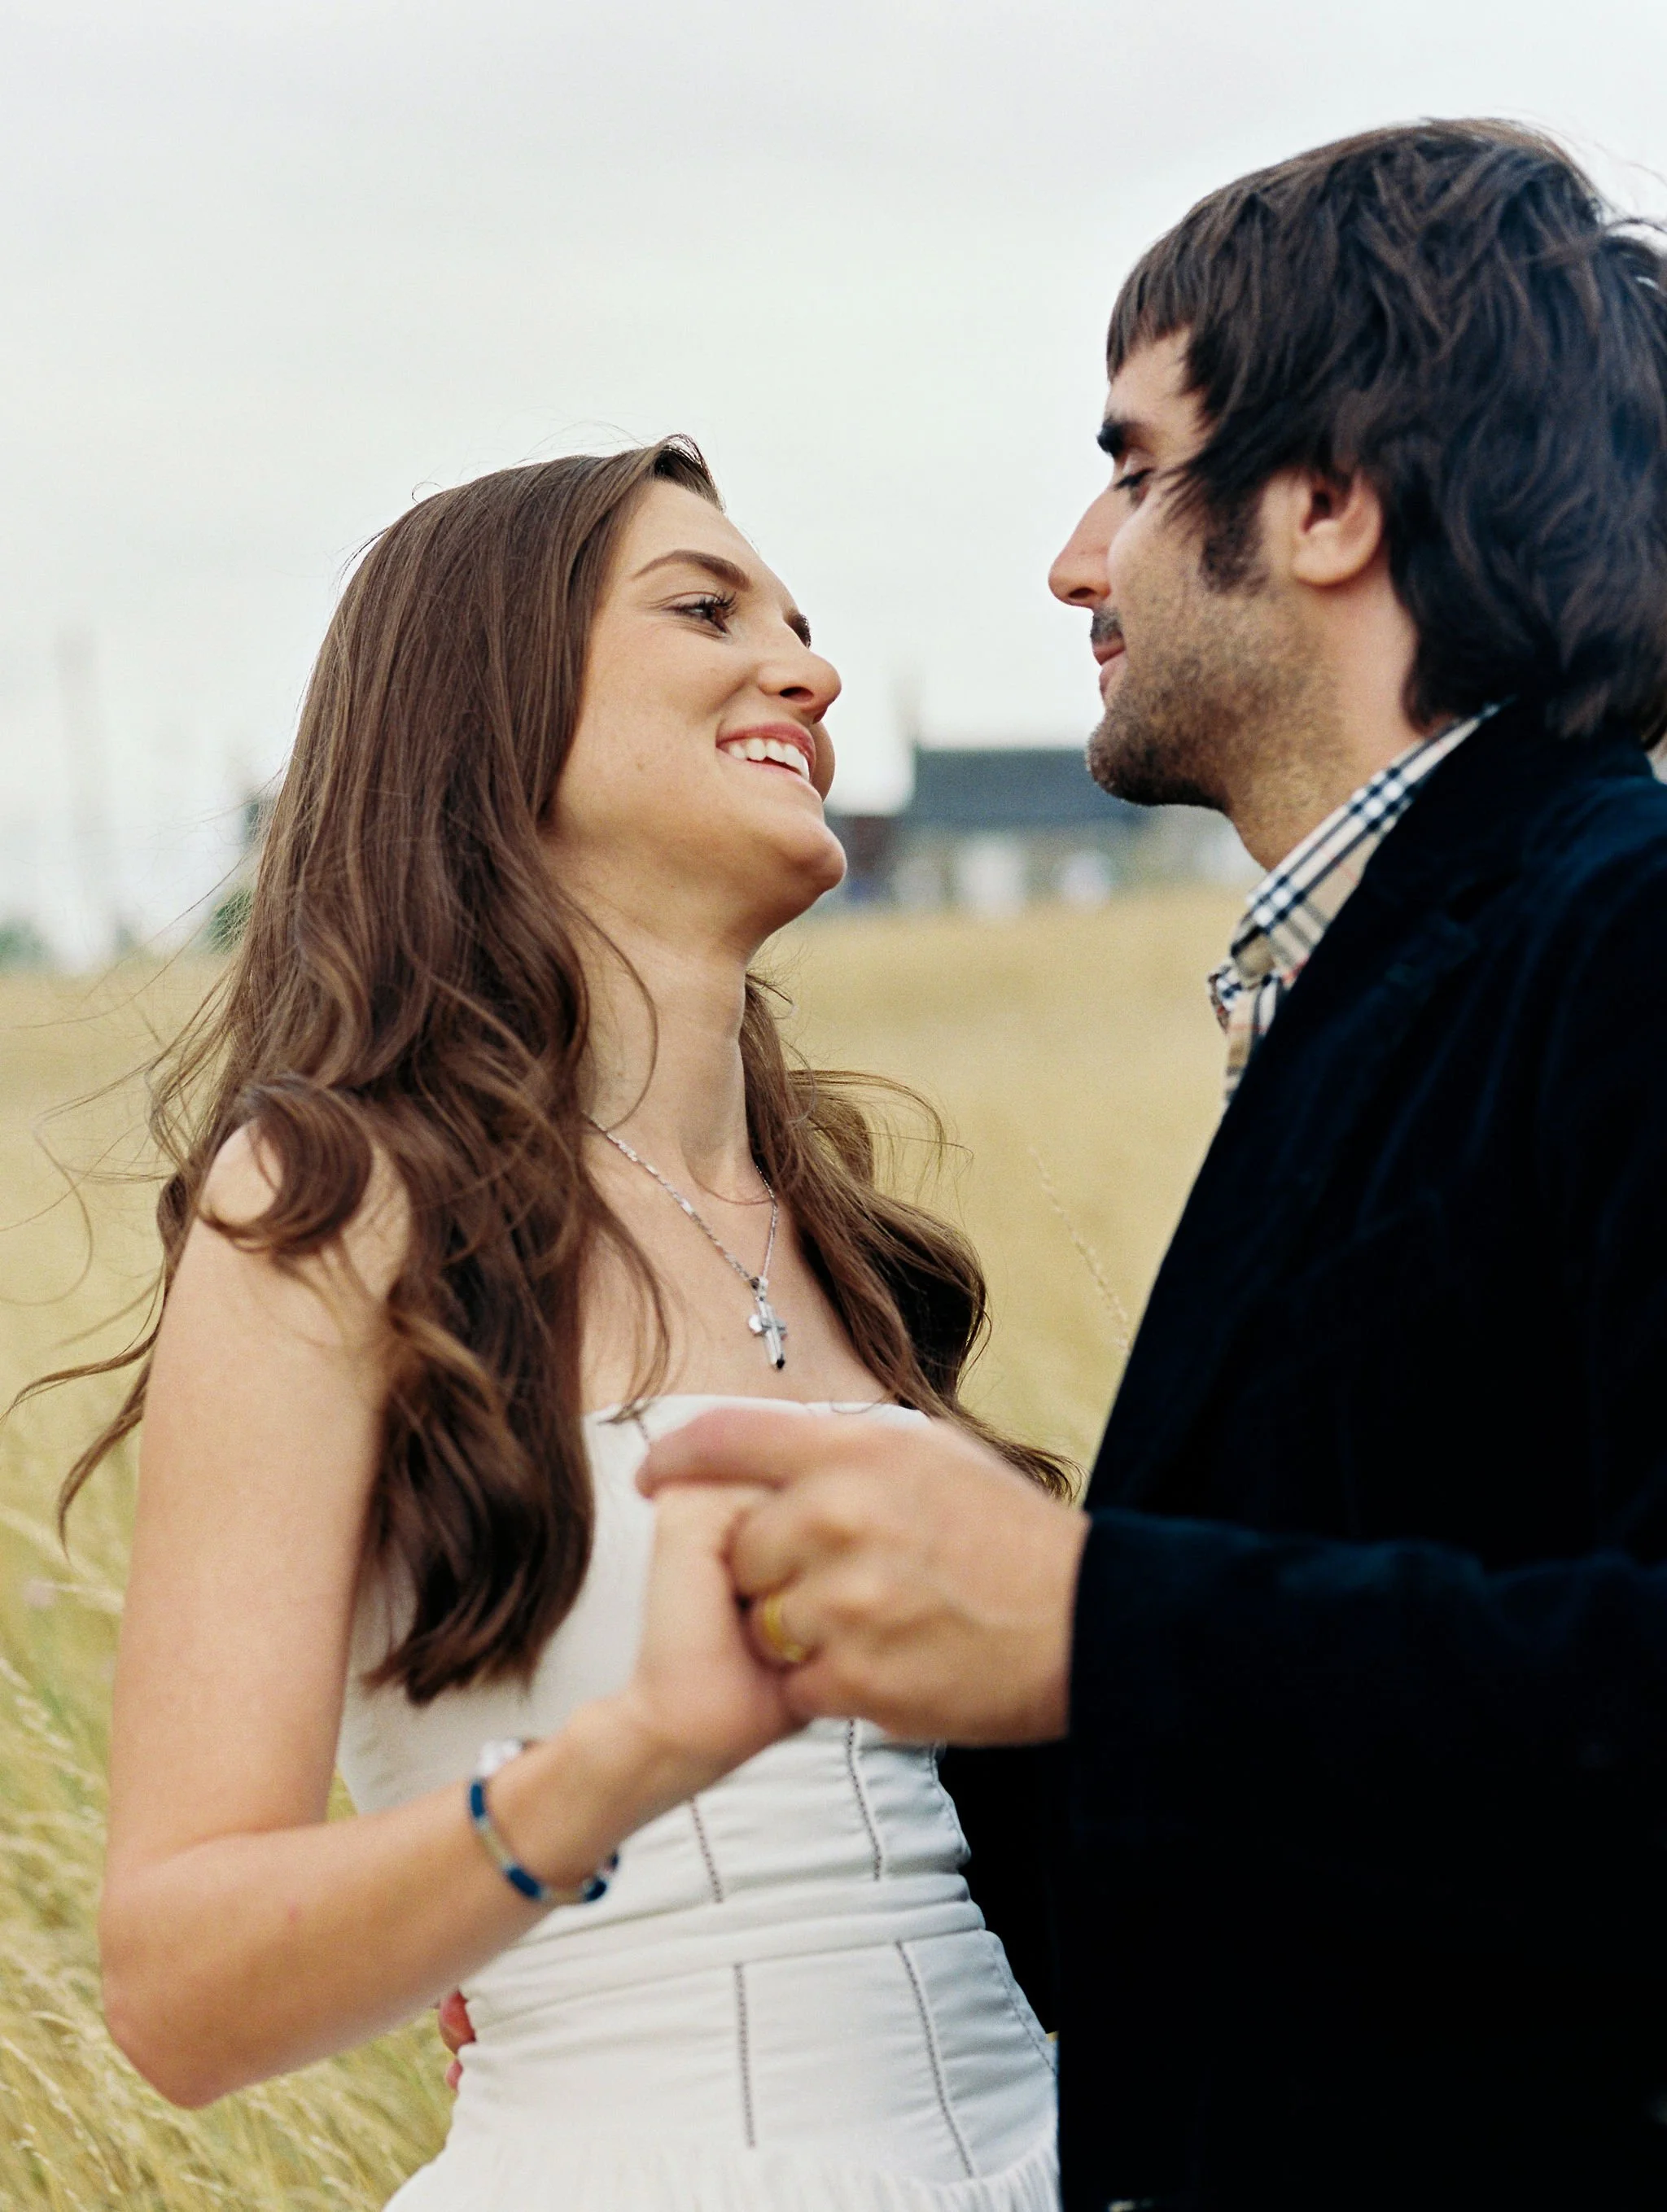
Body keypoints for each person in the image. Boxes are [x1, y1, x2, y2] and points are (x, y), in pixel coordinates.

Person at [640, 122, 1667, 2210]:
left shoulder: (1626, 937)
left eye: (1129, 468)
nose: (1072, 561)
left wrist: (1092, 1618)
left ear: (1325, 501)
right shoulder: (1376, 975)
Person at [67, 441, 1070, 2208]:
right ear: (493, 710)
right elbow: (176, 1991)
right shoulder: (332, 1205)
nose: (810, 672)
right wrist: (622, 1761)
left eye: (799, 627)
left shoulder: (853, 1249)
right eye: (708, 611)